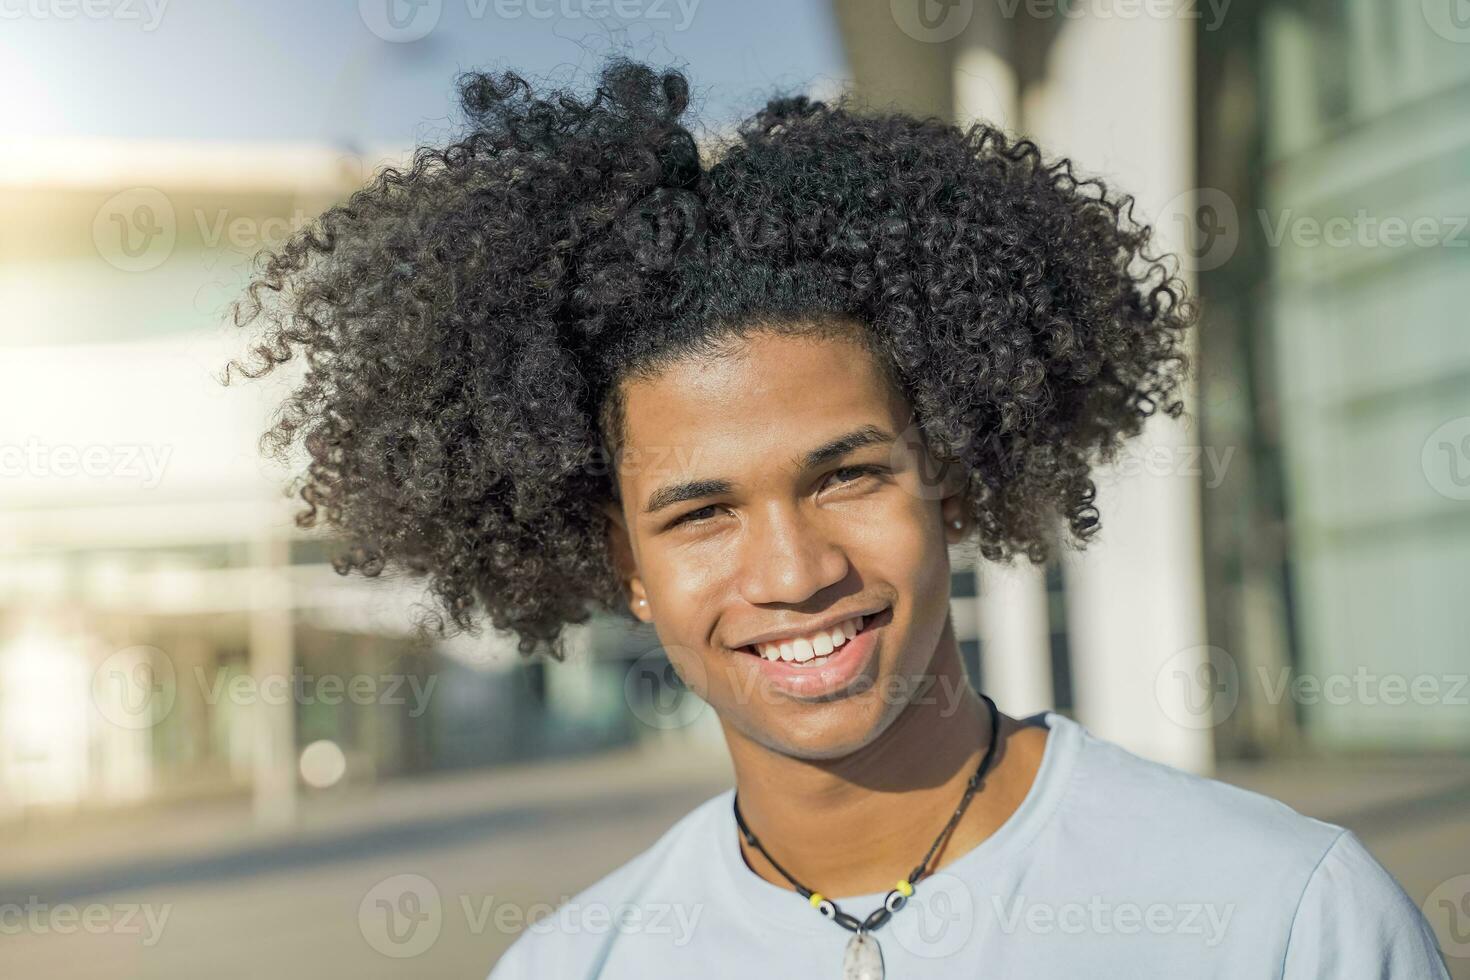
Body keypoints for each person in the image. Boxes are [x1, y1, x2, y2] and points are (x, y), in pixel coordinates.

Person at [223, 57, 1452, 979]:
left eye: (846, 475)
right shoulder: (571, 967)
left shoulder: (1284, 916)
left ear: (950, 478)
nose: (796, 568)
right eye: (700, 511)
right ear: (626, 565)